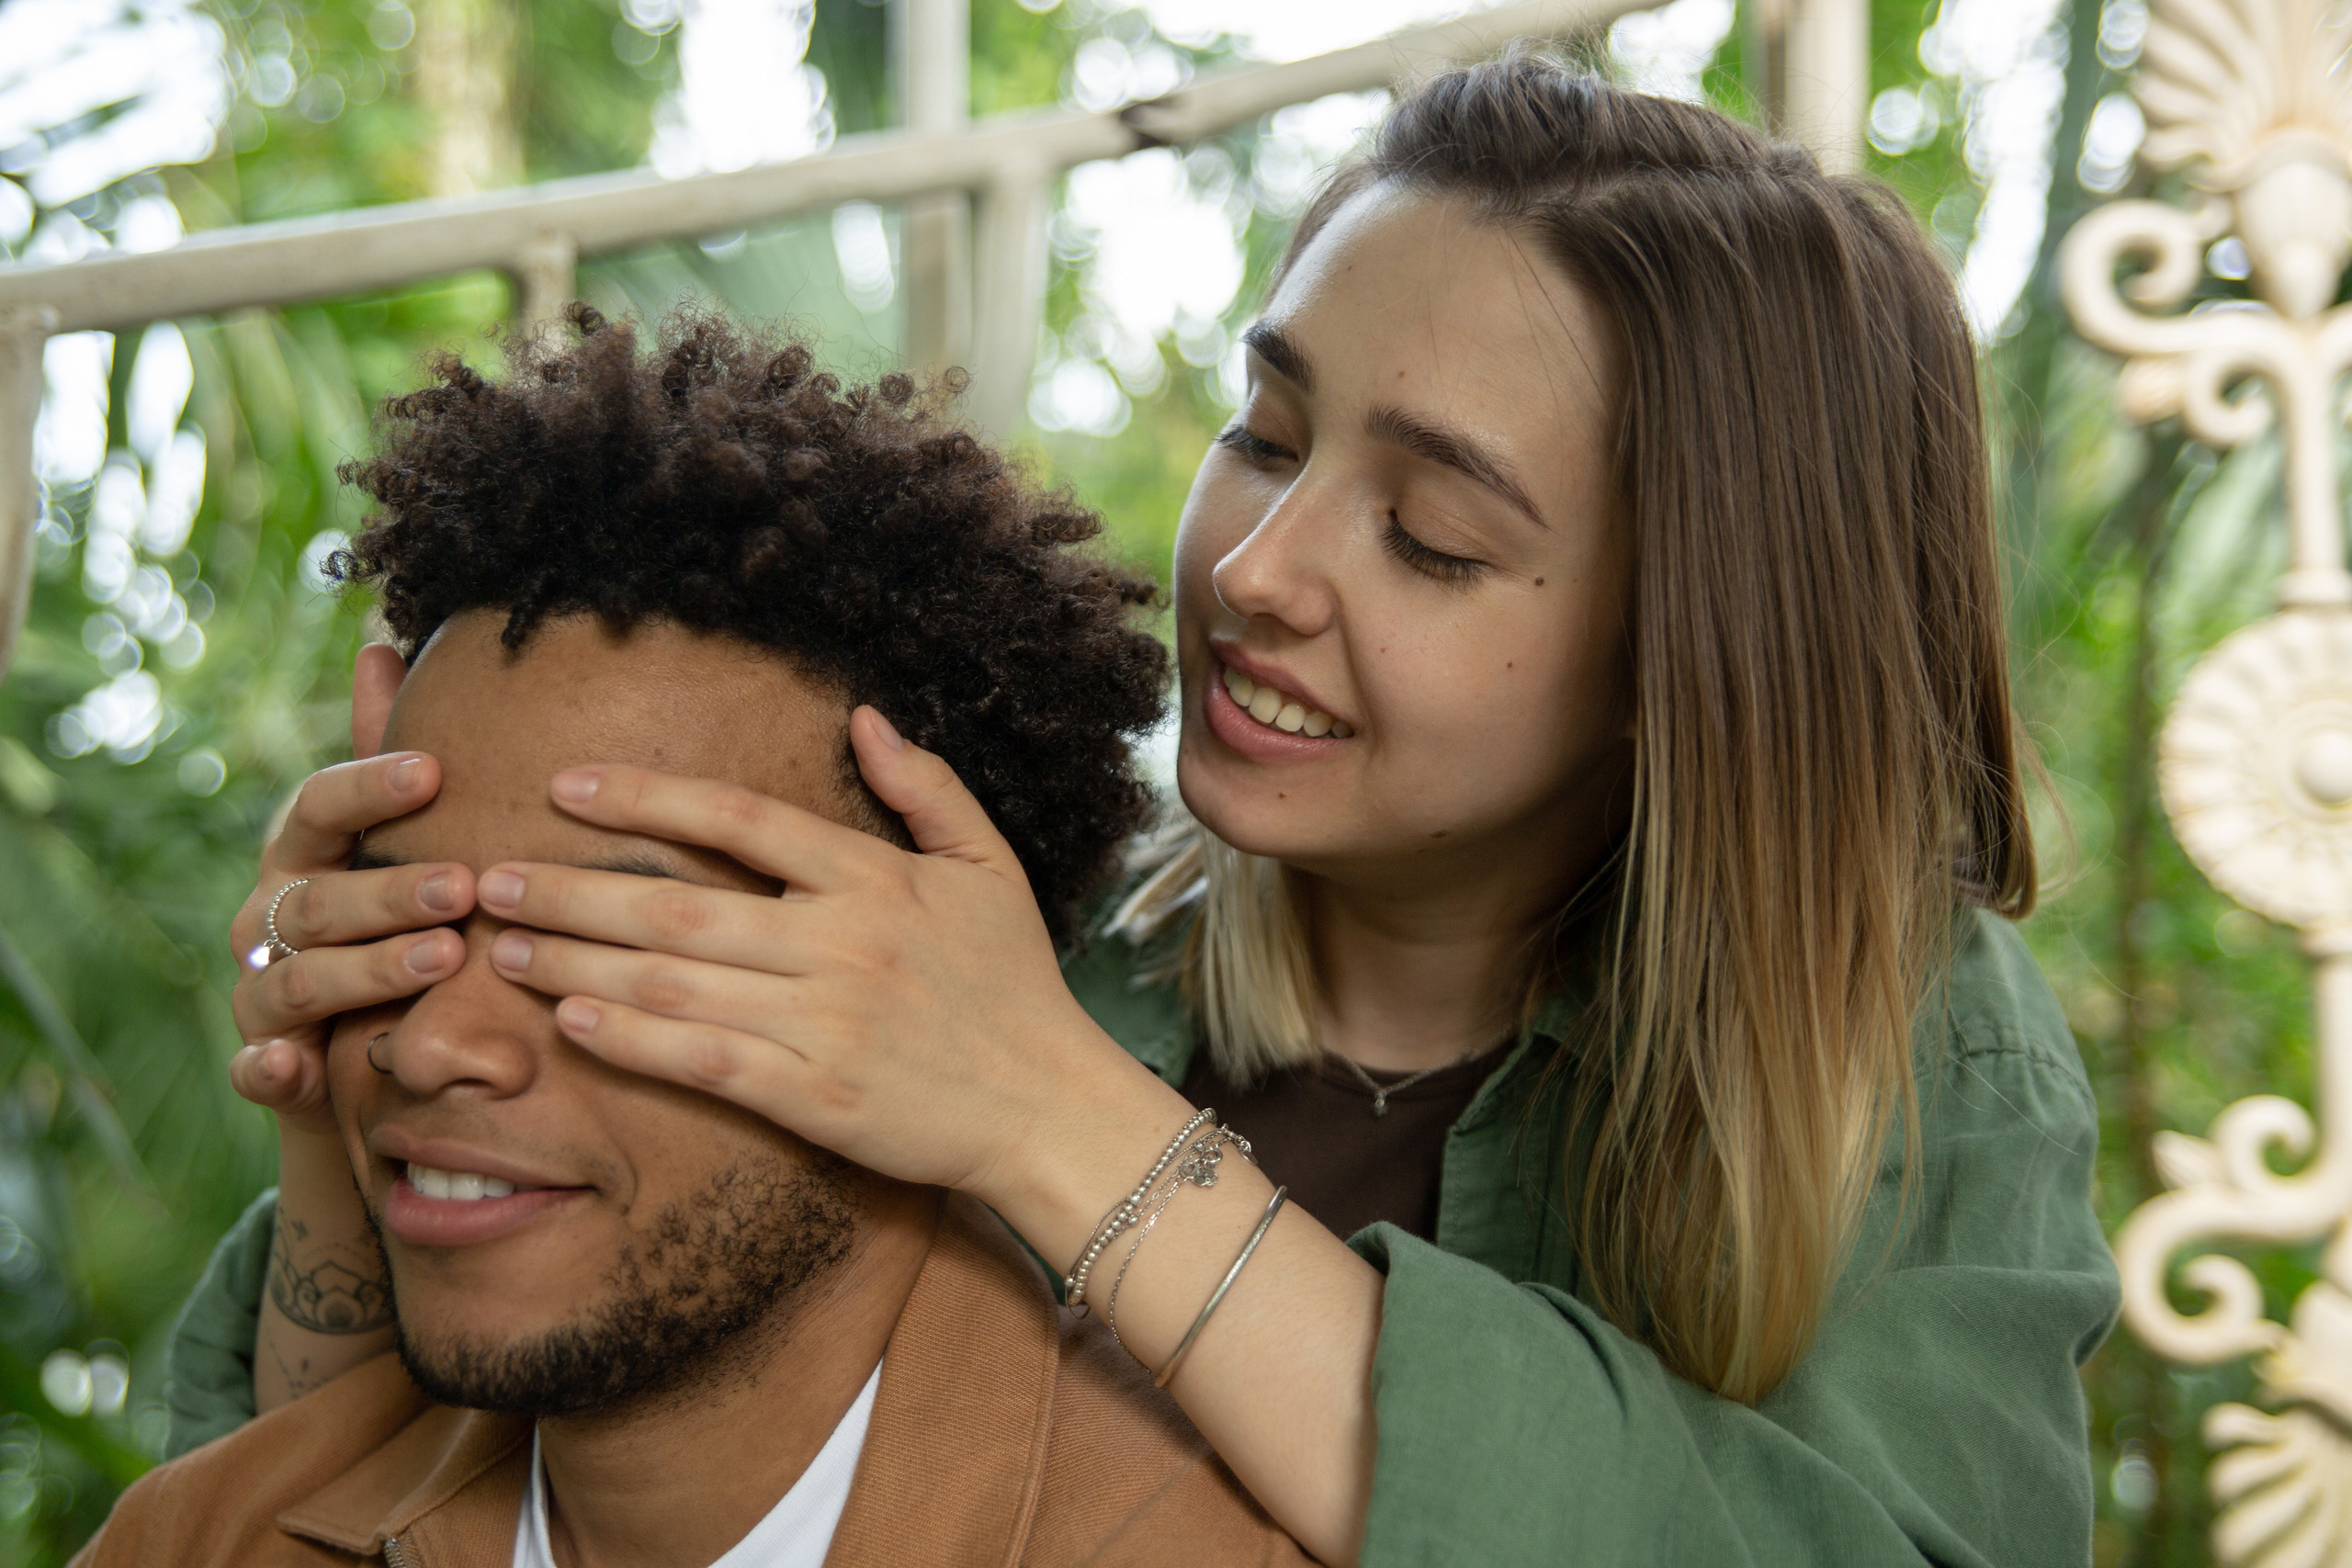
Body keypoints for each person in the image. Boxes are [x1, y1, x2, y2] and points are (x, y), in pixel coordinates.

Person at [173, 59, 2119, 1568]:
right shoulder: (981, 891)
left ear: (1682, 656)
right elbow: (345, 1488)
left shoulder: (1907, 1046)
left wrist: (1048, 1116)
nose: (1255, 568)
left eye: (1432, 537)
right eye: (1264, 434)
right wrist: (348, 1082)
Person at [86, 313, 1308, 1567]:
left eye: (612, 937)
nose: (433, 1044)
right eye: (406, 912)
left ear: (935, 1003)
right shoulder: (193, 1541)